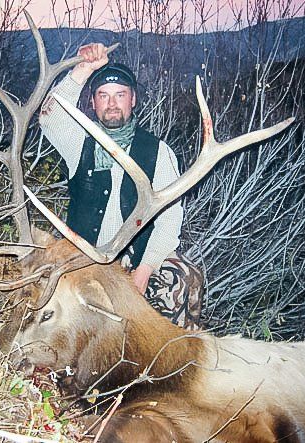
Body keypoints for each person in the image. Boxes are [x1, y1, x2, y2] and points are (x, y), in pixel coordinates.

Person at [40, 43, 202, 329]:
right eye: (103, 95)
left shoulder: (157, 151)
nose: (112, 103)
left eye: (120, 95)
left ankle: (165, 362)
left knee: (185, 278)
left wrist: (145, 269)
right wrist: (84, 69)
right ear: (92, 102)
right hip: (83, 255)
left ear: (133, 100)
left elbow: (170, 219)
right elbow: (50, 117)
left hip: (135, 259)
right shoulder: (79, 142)